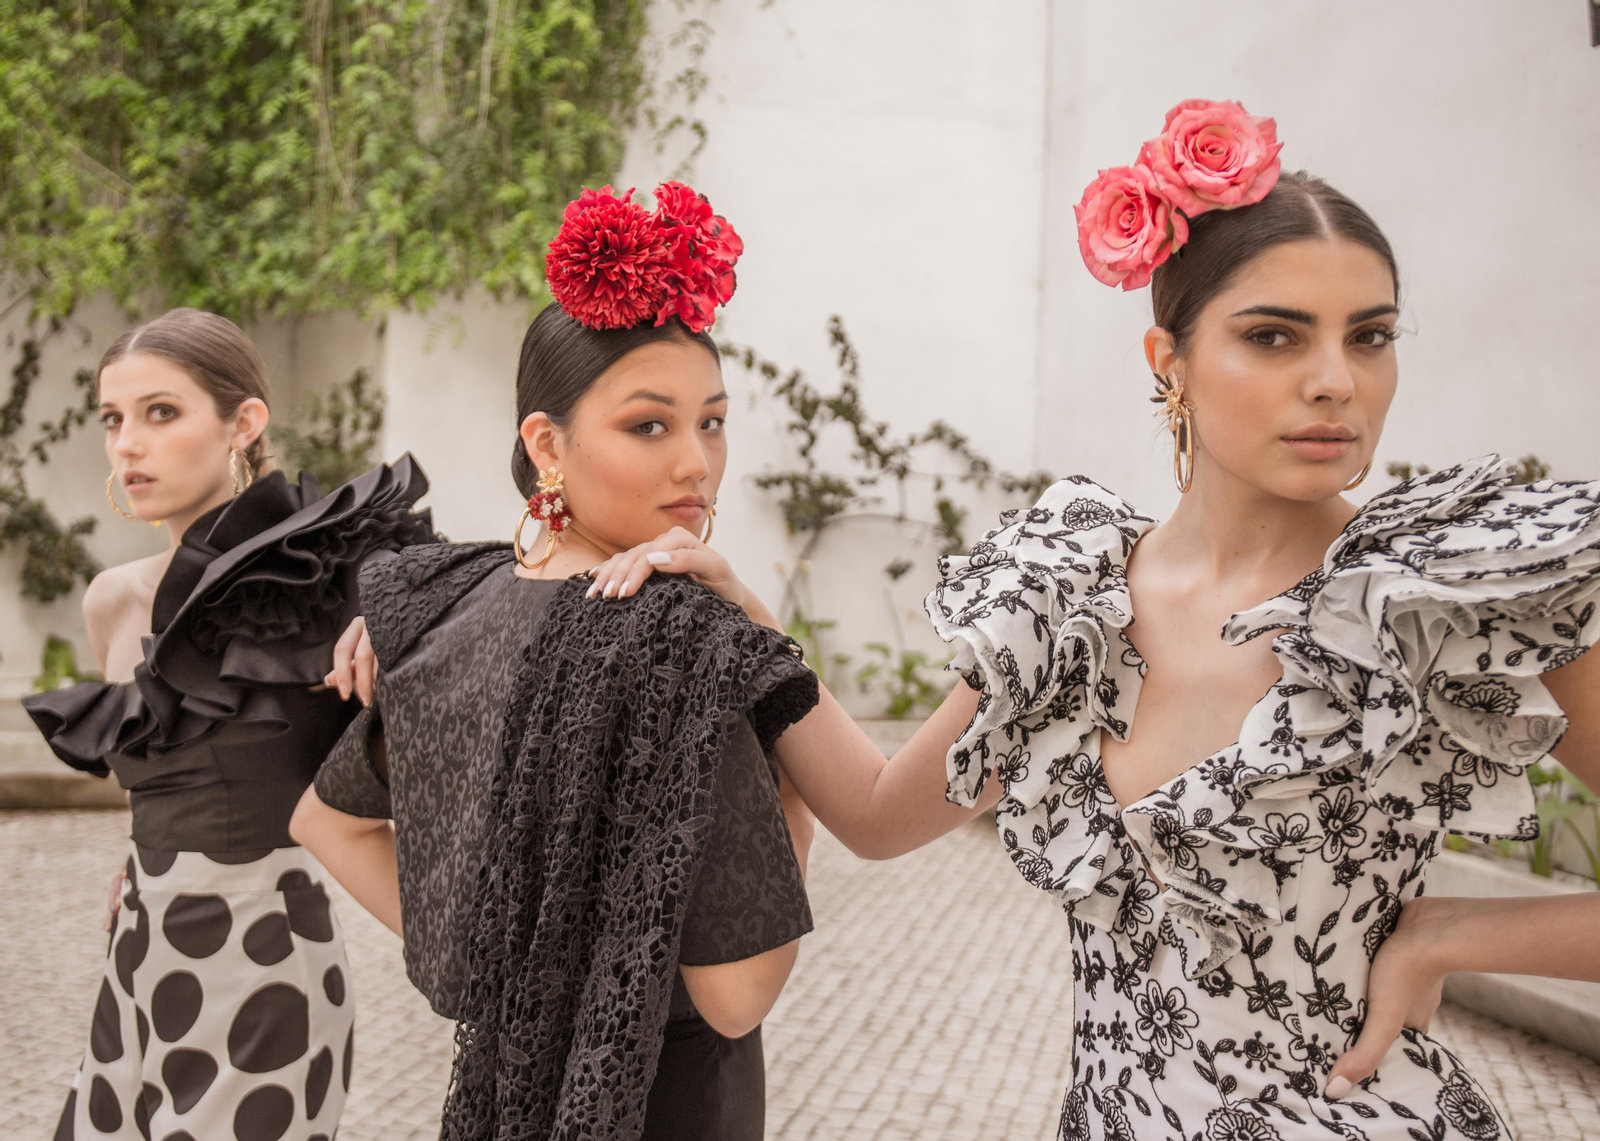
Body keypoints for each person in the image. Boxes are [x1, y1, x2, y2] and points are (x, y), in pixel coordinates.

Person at [577, 101, 1600, 1140]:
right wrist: (740, 615)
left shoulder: (1437, 590)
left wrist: (1445, 933)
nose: (1336, 380)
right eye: (1273, 335)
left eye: (1369, 336)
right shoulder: (1072, 603)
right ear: (1169, 360)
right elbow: (881, 814)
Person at [290, 182, 819, 1141]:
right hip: (667, 1098)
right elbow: (739, 994)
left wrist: (510, 956)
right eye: (649, 425)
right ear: (547, 443)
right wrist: (777, 711)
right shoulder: (680, 642)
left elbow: (328, 822)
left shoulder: (451, 603)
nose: (697, 462)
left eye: (712, 419)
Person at [24, 308, 435, 1141]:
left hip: (266, 968)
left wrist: (395, 627)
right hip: (140, 958)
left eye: (161, 412)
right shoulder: (113, 601)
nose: (127, 445)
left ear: (244, 422)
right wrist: (136, 868)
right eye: (113, 419)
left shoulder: (324, 585)